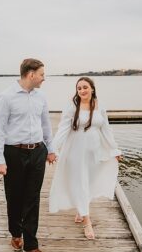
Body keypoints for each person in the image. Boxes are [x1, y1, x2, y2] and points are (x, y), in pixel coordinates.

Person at [0, 58, 54, 252]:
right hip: (14, 152)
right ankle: (15, 233)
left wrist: (50, 149)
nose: (44, 78)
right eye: (42, 74)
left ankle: (31, 245)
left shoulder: (41, 97)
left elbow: (46, 125)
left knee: (33, 198)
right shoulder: (6, 97)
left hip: (37, 151)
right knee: (14, 196)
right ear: (30, 74)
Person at [48, 77, 123, 239]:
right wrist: (52, 148)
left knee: (88, 182)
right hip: (76, 152)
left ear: (92, 89)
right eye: (79, 88)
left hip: (94, 152)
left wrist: (114, 149)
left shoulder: (99, 105)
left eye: (85, 87)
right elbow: (62, 129)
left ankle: (80, 210)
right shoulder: (71, 107)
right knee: (80, 182)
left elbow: (106, 129)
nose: (82, 90)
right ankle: (87, 222)